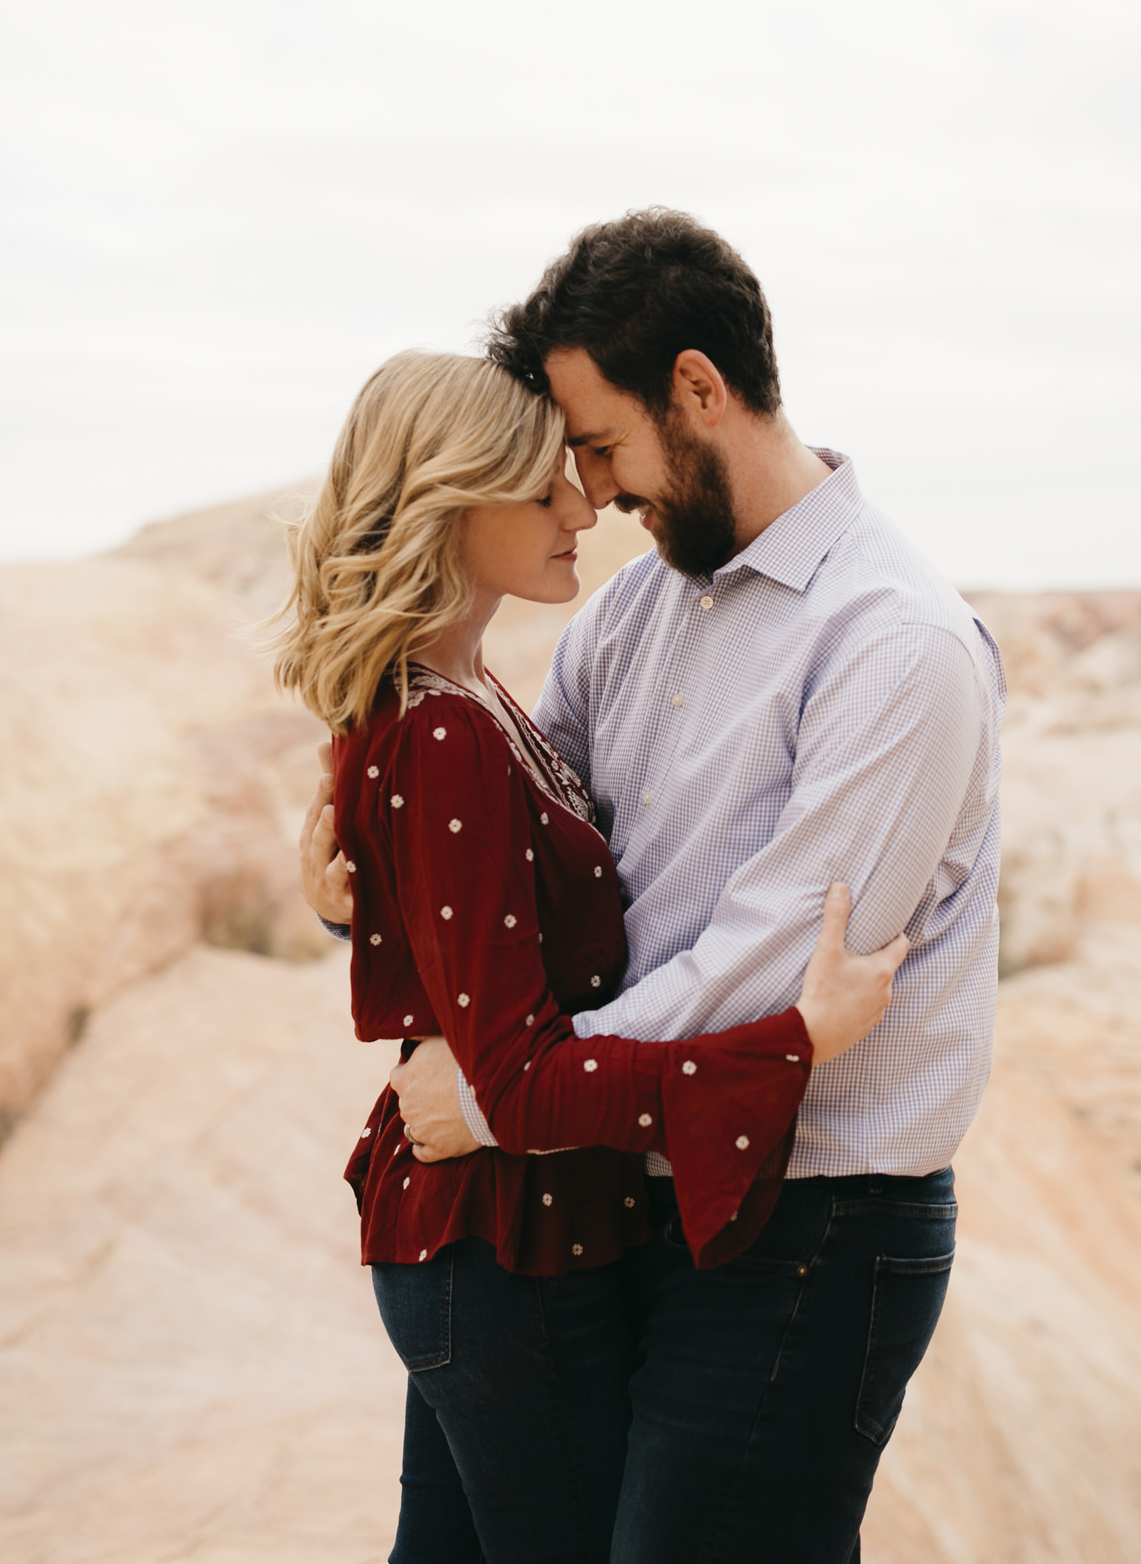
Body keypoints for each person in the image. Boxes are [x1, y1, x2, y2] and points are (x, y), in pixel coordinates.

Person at [307, 212, 1006, 1562]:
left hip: (812, 1220)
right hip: (635, 1187)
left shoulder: (894, 642)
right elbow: (517, 835)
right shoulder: (638, 611)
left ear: (700, 388)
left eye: (601, 445)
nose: (590, 491)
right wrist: (354, 863)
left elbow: (769, 969)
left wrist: (510, 1096)